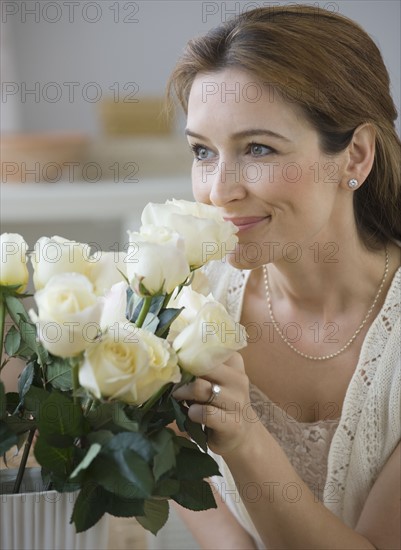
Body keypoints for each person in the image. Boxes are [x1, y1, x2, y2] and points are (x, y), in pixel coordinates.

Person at [167, 5, 400, 549]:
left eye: (258, 149)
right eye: (203, 150)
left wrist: (245, 438)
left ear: (355, 156)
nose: (219, 191)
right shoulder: (185, 309)